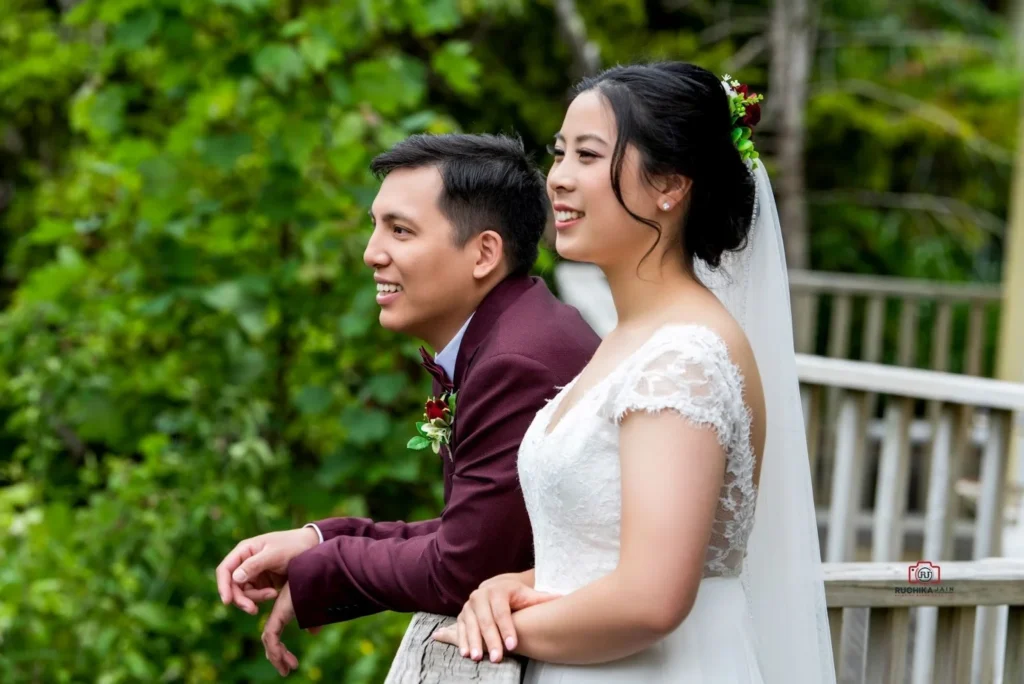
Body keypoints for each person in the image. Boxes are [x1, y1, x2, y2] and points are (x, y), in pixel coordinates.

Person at [433, 63, 835, 683]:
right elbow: (601, 548)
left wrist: (488, 634)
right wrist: (508, 586)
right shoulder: (633, 337)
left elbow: (652, 598)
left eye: (588, 157)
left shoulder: (683, 359)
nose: (558, 179)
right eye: (559, 153)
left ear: (669, 184)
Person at [214, 133, 600, 677]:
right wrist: (318, 540)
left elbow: (465, 567)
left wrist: (326, 565)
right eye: (376, 227)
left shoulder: (517, 363)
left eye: (400, 230)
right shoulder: (516, 331)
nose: (372, 253)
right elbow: (477, 531)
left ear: (484, 253)